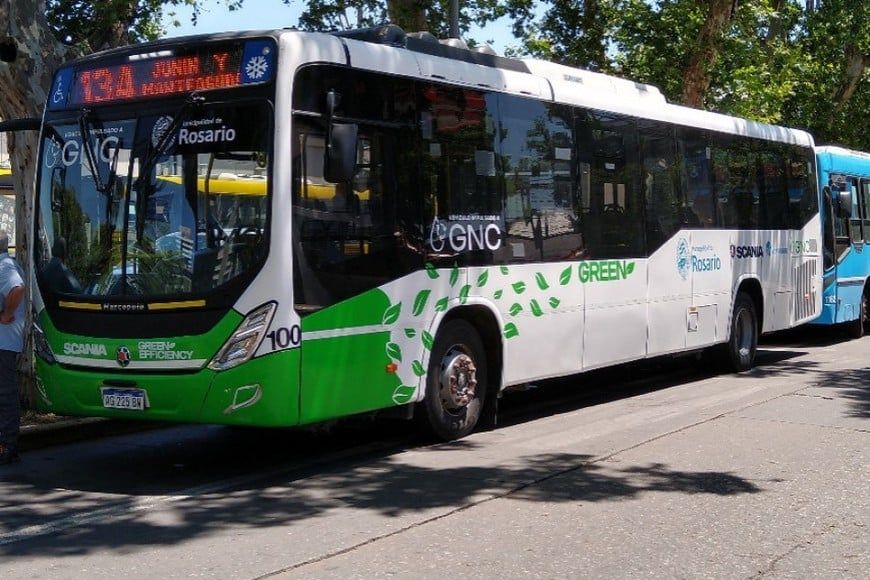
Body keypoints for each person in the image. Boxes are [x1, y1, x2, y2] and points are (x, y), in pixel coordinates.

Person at [0, 230, 25, 465]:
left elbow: (17, 288)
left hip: (4, 343)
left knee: (5, 394)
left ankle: (7, 446)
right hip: (5, 343)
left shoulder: (5, 267)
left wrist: (6, 313)